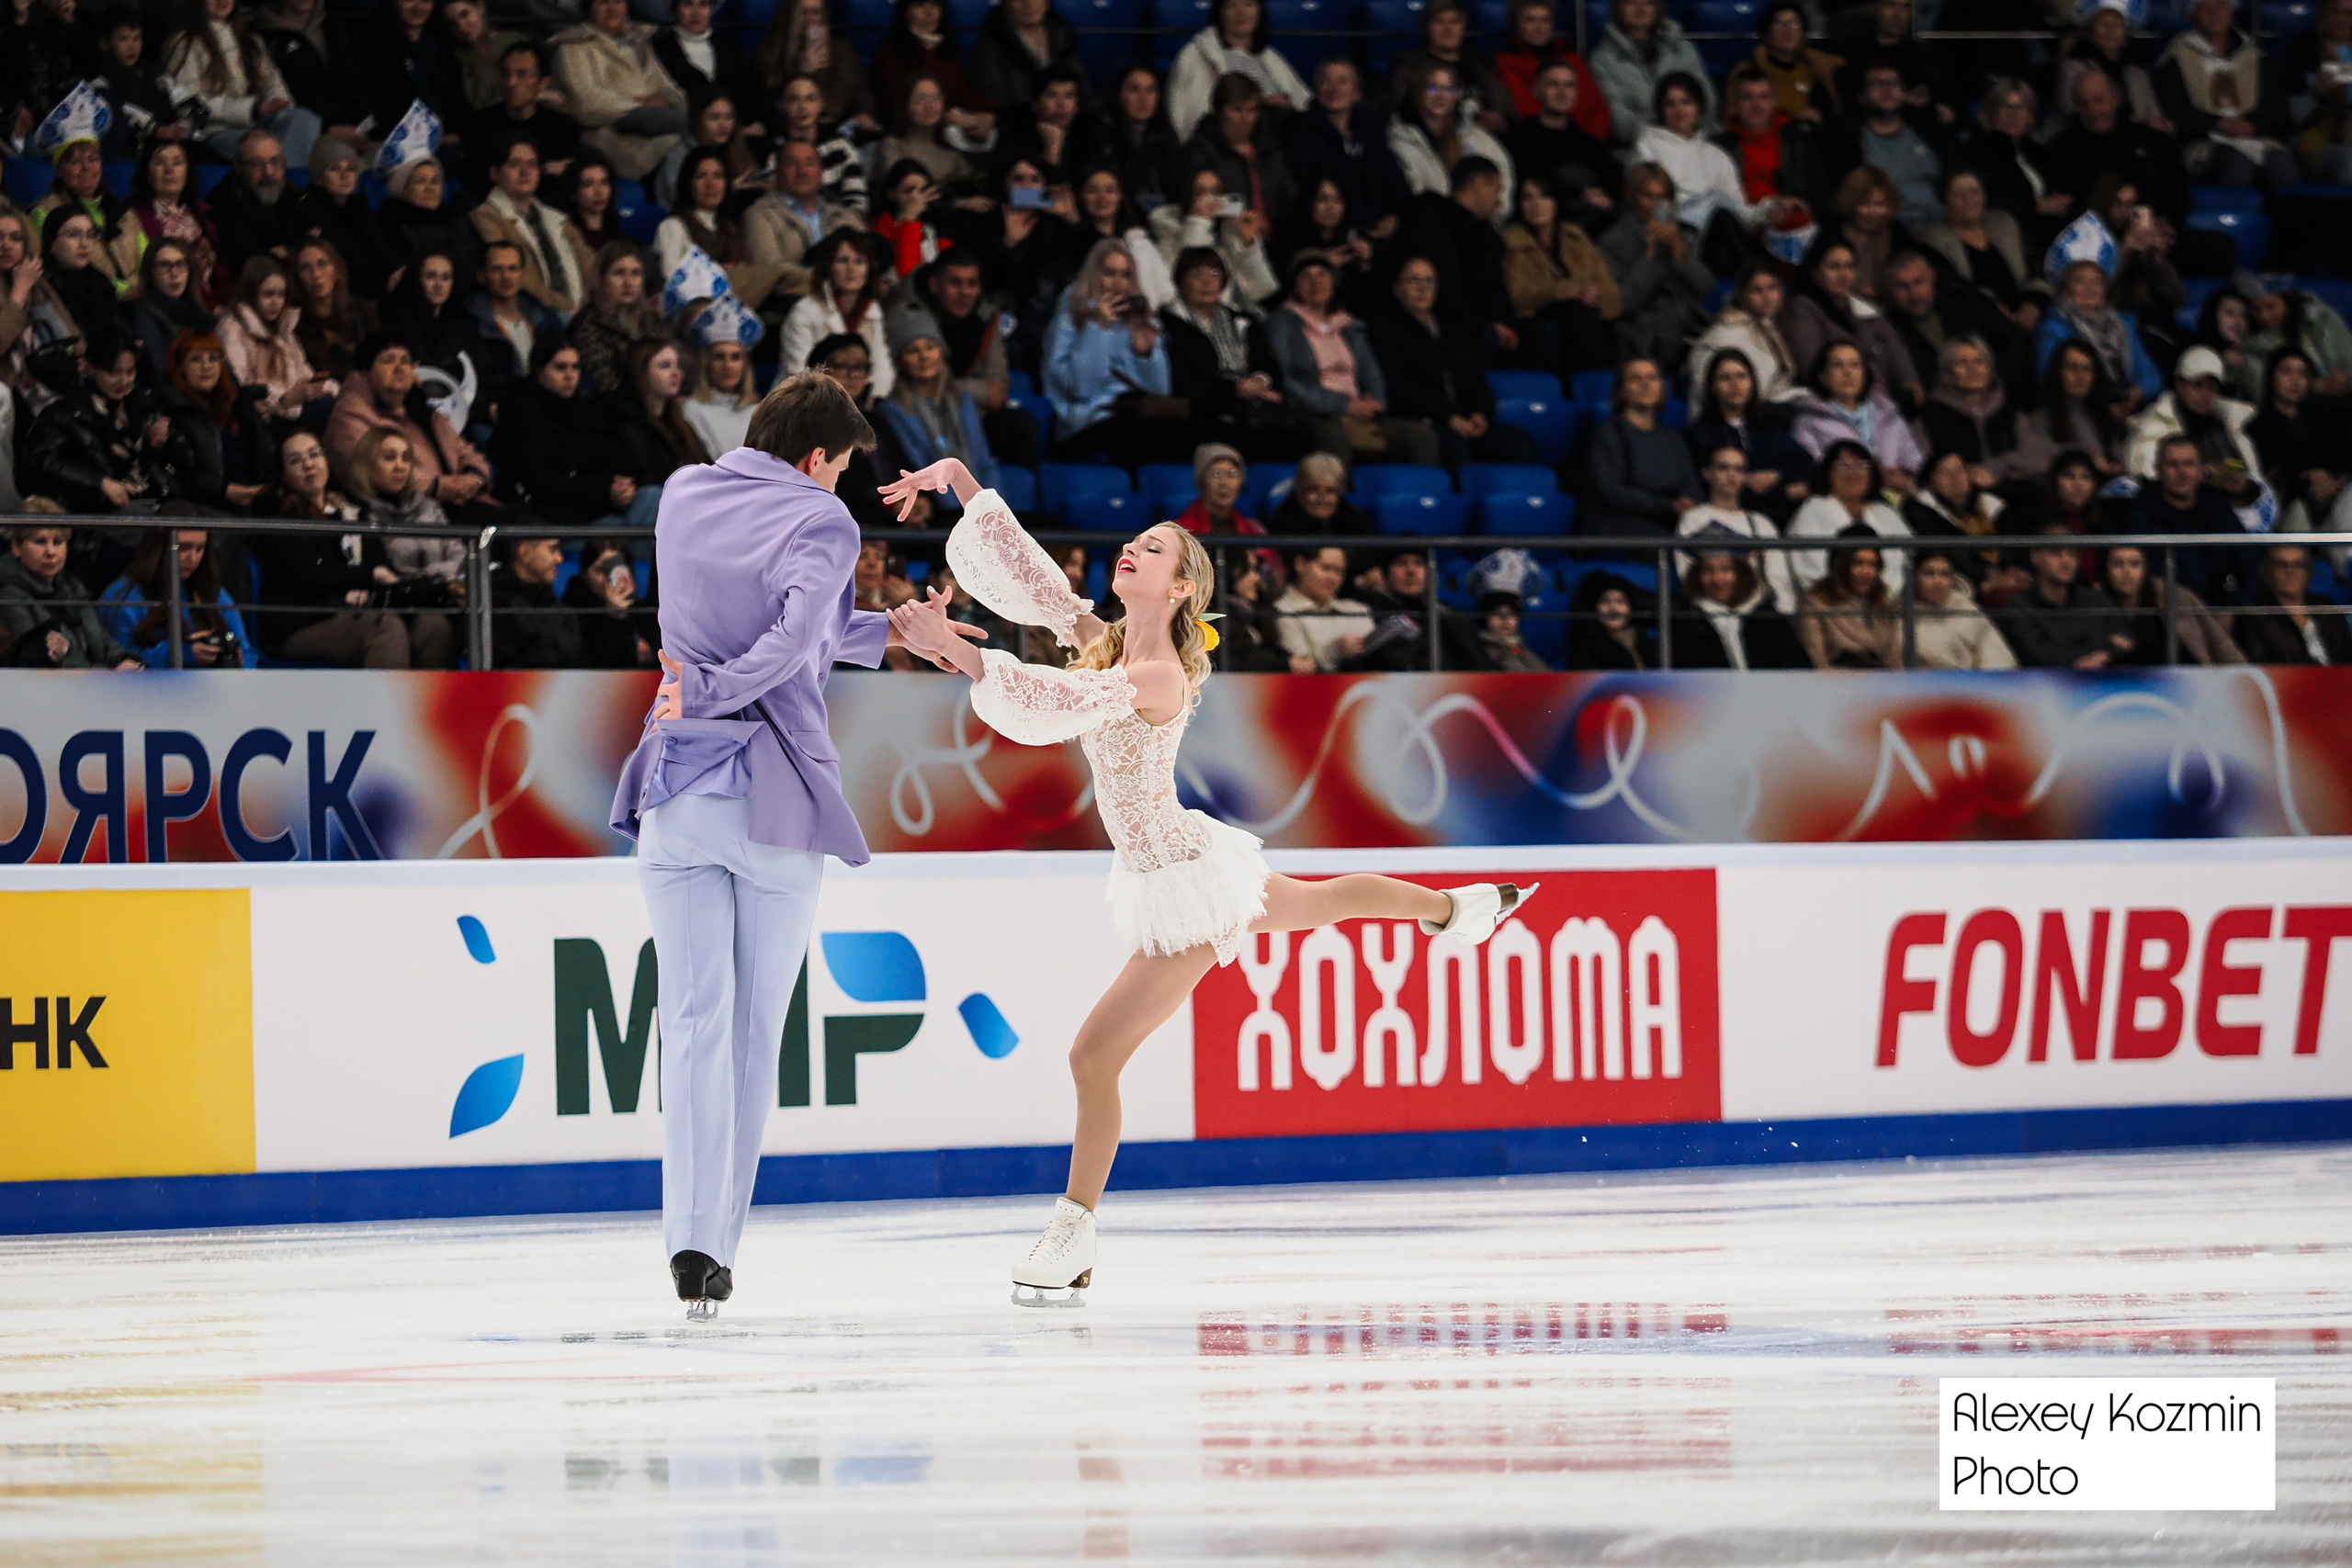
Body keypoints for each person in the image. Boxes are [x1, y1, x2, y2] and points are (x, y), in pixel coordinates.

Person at [880, 462, 1532, 1298]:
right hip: (1178, 861)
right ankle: (1456, 908)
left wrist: (958, 654)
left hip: (1183, 884)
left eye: (1151, 548)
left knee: (1091, 1057)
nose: (1130, 547)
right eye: (1133, 540)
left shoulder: (1157, 673)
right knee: (1326, 901)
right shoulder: (1107, 641)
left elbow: (1053, 698)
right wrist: (963, 483)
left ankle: (1073, 1233)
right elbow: (1035, 580)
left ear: (1181, 586)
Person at [610, 372, 980, 1315]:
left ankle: (688, 1240)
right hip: (769, 798)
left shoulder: (685, 491)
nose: (843, 483)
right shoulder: (823, 521)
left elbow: (792, 632)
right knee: (750, 1032)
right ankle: (716, 1246)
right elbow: (784, 648)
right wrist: (720, 689)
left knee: (692, 1023)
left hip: (677, 783)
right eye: (844, 467)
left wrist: (892, 631)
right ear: (817, 457)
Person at [252, 428, 435, 667]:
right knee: (384, 628)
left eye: (314, 454)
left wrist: (372, 581)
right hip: (303, 619)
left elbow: (378, 560)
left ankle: (429, 694)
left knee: (432, 625)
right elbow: (307, 576)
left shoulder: (350, 507)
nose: (309, 465)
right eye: (295, 461)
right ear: (283, 473)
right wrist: (367, 577)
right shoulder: (276, 513)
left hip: (357, 609)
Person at [1265, 250, 1441, 468]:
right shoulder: (1282, 324)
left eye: (1323, 275)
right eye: (1307, 276)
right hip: (1316, 412)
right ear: (1295, 284)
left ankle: (1417, 491)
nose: (1316, 282)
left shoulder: (1349, 325)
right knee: (1335, 441)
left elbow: (1371, 373)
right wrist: (1344, 405)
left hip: (1360, 411)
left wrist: (1375, 403)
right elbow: (1287, 380)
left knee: (1422, 437)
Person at [1366, 254, 1537, 468]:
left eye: (1429, 281)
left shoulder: (1451, 328)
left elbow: (1474, 378)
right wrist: (1447, 417)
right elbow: (1399, 388)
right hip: (1423, 419)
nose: (1423, 288)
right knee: (1454, 446)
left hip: (1463, 418)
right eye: (1414, 281)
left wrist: (1479, 412)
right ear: (1397, 289)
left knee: (1518, 444)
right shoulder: (1385, 330)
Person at [1044, 239, 1193, 466]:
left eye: (1125, 275)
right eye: (1109, 273)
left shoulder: (1140, 319)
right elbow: (1082, 389)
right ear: (1094, 275)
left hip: (1135, 413)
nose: (1118, 283)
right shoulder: (1070, 319)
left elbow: (1160, 391)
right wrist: (1098, 328)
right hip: (1086, 420)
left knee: (1185, 431)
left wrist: (1145, 353)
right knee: (1142, 434)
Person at [494, 338, 664, 528]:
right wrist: (604, 490)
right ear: (539, 373)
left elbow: (608, 455)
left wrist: (621, 484)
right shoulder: (522, 414)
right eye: (560, 368)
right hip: (555, 517)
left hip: (596, 508)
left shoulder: (586, 410)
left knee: (654, 496)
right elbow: (542, 481)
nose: (570, 376)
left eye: (575, 367)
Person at [325, 331, 497, 518]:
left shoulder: (424, 410)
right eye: (388, 360)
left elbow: (464, 450)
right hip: (408, 516)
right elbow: (366, 470)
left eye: (405, 361)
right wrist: (436, 486)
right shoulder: (351, 415)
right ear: (366, 371)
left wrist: (475, 478)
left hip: (462, 505)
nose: (399, 368)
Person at [1158, 246, 1302, 464]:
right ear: (1181, 280)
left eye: (1215, 274)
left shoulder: (1243, 321)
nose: (1207, 282)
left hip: (1251, 409)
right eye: (1197, 274)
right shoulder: (1168, 324)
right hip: (1202, 413)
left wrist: (1260, 380)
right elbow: (1185, 383)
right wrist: (1237, 388)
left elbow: (1270, 365)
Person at [22, 333, 189, 514]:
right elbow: (41, 462)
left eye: (130, 372)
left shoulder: (143, 403)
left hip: (147, 498)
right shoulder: (65, 413)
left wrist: (158, 446)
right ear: (90, 367)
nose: (123, 381)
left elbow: (181, 460)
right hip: (92, 512)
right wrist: (99, 482)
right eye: (114, 372)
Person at [347, 425, 465, 660]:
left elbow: (458, 554)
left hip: (438, 598)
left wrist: (432, 577)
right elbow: (381, 570)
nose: (400, 466)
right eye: (389, 458)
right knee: (422, 628)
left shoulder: (429, 508)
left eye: (406, 458)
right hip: (392, 606)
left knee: (442, 625)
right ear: (367, 464)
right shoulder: (358, 514)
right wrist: (427, 580)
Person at [2154, 0, 2298, 190]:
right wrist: (2218, 123)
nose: (2215, 13)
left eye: (2221, 7)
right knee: (2237, 164)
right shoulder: (2176, 59)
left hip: (2254, 137)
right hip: (2203, 143)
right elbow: (2174, 110)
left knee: (2281, 165)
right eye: (2206, 8)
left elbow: (2276, 106)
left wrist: (2252, 124)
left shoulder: (2255, 57)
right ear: (2193, 15)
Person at [164, 0, 322, 166]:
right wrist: (252, 109)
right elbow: (189, 102)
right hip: (215, 133)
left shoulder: (251, 40)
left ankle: (289, 178)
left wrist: (278, 103)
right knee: (259, 146)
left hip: (260, 124)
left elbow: (273, 84)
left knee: (304, 119)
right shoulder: (184, 42)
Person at [1500, 172, 1619, 373]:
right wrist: (1565, 291)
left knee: (1598, 323)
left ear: (1556, 201)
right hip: (1538, 320)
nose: (1536, 204)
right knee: (1571, 313)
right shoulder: (1510, 243)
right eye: (1528, 198)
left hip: (1586, 317)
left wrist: (1592, 293)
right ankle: (1603, 380)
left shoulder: (1576, 237)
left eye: (1544, 196)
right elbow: (1516, 297)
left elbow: (1611, 291)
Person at [1285, 60, 1412, 241]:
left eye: (1342, 82)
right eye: (1325, 81)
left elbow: (1395, 180)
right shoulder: (1300, 131)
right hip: (1333, 232)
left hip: (1383, 227)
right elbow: (1313, 187)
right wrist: (1367, 227)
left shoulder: (1371, 130)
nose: (1333, 89)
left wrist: (1395, 217)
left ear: (1357, 93)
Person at [97, 525, 257, 669]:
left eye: (200, 548)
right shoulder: (122, 597)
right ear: (159, 548)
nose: (193, 558)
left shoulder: (210, 589)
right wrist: (185, 654)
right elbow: (122, 661)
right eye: (183, 548)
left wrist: (237, 664)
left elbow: (247, 652)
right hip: (147, 687)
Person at [877, 313, 1000, 497]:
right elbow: (918, 464)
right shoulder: (893, 410)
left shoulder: (962, 400)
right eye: (912, 351)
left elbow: (982, 459)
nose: (924, 357)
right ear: (900, 360)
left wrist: (992, 503)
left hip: (979, 501)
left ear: (941, 352)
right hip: (938, 503)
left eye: (930, 347)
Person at [1916, 334, 2052, 499]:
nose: (1972, 369)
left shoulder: (2008, 407)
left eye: (1979, 362)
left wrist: (1996, 467)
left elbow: (2041, 457)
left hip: (2023, 492)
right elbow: (1925, 467)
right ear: (1947, 372)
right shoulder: (1931, 415)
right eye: (1962, 363)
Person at [1783, 240, 1915, 410]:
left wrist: (1909, 380)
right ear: (1815, 272)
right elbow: (1811, 364)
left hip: (1885, 401)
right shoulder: (1803, 309)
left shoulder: (1863, 308)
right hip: (1839, 404)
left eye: (1850, 267)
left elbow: (1894, 346)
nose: (1844, 275)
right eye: (1834, 267)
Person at [472, 139, 596, 317]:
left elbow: (592, 266)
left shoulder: (557, 218)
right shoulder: (486, 217)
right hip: (534, 315)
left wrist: (586, 308)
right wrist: (567, 309)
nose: (525, 172)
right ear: (495, 173)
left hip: (579, 313)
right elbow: (520, 278)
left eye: (532, 164)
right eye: (515, 164)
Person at [1685, 344, 1810, 519]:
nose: (1735, 384)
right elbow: (1713, 488)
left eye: (1741, 376)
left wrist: (1777, 475)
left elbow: (1806, 466)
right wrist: (1783, 492)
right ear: (1712, 386)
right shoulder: (1700, 434)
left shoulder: (1768, 426)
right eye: (1725, 378)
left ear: (1752, 382)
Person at [2122, 432, 2252, 602]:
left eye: (2189, 464)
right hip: (2166, 608)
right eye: (2173, 464)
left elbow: (2250, 560)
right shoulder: (2140, 514)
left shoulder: (2218, 507)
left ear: (2201, 470)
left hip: (2221, 607)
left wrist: (2236, 609)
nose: (2182, 472)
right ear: (2157, 469)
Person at [1, 519, 142, 669]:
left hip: (94, 677)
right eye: (40, 542)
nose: (50, 552)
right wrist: (109, 674)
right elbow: (41, 660)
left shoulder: (72, 586)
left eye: (58, 542)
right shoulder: (8, 597)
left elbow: (101, 638)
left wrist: (125, 660)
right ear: (16, 547)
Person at [1586, 356, 1700, 539]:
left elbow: (1691, 487)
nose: (1645, 384)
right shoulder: (1609, 434)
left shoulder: (1672, 438)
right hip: (1624, 529)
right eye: (1635, 378)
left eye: (1652, 378)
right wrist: (1668, 505)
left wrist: (1688, 503)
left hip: (1672, 523)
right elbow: (1610, 491)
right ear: (1621, 391)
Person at [1504, 57, 1621, 235]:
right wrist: (1578, 195)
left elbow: (1614, 181)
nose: (1562, 92)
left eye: (1569, 85)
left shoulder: (1590, 144)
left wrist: (1604, 196)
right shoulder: (1518, 139)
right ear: (1536, 91)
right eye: (1553, 84)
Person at [741, 141, 867, 305]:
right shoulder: (759, 214)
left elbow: (872, 258)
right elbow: (770, 269)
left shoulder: (842, 215)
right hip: (792, 304)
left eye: (810, 164)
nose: (802, 171)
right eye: (792, 164)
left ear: (821, 173)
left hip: (850, 302)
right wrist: (829, 278)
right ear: (777, 173)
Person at [160, 328, 272, 511]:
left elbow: (266, 452)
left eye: (213, 358)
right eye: (196, 359)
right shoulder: (173, 411)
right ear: (180, 366)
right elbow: (181, 475)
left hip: (257, 498)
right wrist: (222, 491)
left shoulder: (240, 405)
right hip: (207, 507)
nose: (206, 367)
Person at [1788, 341, 1922, 490]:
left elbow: (1916, 464)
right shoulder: (1808, 424)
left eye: (1855, 365)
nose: (1848, 373)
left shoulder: (1890, 416)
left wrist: (1904, 479)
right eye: (1838, 365)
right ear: (1823, 376)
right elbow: (1816, 473)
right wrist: (1874, 478)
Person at [1996, 524, 2133, 669]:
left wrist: (2101, 655)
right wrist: (2098, 651)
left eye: (2072, 553)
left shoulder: (2096, 599)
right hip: (2045, 681)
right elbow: (2037, 655)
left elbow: (2126, 640)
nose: (2066, 561)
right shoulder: (2019, 607)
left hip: (2102, 679)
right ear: (2035, 556)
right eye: (2056, 552)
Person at [1167, 0, 1306, 142]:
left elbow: (1303, 102)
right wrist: (1262, 103)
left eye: (1249, 4)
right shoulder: (1193, 56)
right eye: (1231, 6)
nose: (1241, 13)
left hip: (1275, 146)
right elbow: (1184, 119)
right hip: (1219, 148)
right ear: (1220, 12)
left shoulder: (1270, 57)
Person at [1680, 441, 1796, 612]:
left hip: (1761, 615)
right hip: (1711, 614)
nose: (1732, 475)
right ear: (1707, 473)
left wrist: (1783, 613)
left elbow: (1780, 578)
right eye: (1723, 468)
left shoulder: (1761, 523)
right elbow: (1688, 576)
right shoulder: (1693, 518)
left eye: (1739, 469)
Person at [1916, 167, 2037, 327]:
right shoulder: (1934, 241)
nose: (1968, 199)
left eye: (1974, 191)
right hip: (1976, 322)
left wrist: (2033, 303)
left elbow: (2035, 265)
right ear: (1944, 202)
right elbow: (1954, 290)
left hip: (2027, 316)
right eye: (1958, 194)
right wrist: (1990, 307)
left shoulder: (2004, 223)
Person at [1389, 62, 1516, 215]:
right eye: (1433, 88)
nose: (1441, 95)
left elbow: (1502, 187)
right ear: (1418, 92)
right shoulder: (1401, 140)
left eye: (1449, 89)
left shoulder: (1475, 137)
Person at [1786, 438, 1913, 590]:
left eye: (1861, 465)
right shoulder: (1813, 509)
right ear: (1828, 473)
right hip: (1831, 599)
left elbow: (1907, 558)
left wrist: (1882, 594)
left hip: (1887, 599)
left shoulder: (1885, 512)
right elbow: (1812, 565)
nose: (1853, 473)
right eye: (1842, 466)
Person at [872, 0, 996, 152]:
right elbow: (895, 104)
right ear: (905, 12)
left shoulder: (948, 50)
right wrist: (946, 117)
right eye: (920, 5)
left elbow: (964, 94)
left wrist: (987, 114)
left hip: (953, 130)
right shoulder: (890, 53)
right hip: (912, 137)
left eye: (935, 4)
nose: (930, 13)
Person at [779, 231, 895, 396]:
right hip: (806, 401)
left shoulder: (873, 310)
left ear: (869, 269)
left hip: (859, 400)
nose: (851, 268)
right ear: (828, 267)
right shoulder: (805, 311)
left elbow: (881, 368)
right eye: (842, 260)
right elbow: (799, 374)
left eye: (859, 261)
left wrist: (873, 400)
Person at [1674, 530, 1810, 669]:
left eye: (1726, 569)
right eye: (1708, 571)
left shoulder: (1766, 617)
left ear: (1740, 573)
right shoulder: (1686, 621)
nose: (1717, 579)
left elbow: (1796, 664)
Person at [2126, 346, 2262, 483]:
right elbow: (2145, 477)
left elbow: (2253, 476)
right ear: (2179, 384)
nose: (2205, 394)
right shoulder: (2153, 427)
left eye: (2211, 387)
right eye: (2197, 385)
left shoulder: (2231, 423)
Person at [127, 139, 232, 311]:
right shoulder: (134, 215)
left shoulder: (201, 213)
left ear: (187, 173)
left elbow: (219, 269)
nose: (169, 170)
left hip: (215, 301)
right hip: (171, 306)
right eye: (160, 163)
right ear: (147, 174)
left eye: (177, 163)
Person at [2101, 542, 2243, 667]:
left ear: (2146, 568)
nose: (2127, 572)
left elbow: (2217, 639)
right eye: (2118, 564)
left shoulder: (2175, 596)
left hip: (2181, 679)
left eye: (2135, 564)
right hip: (2113, 682)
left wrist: (2243, 672)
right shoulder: (2094, 602)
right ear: (2106, 569)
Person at [1590, 0, 1710, 144]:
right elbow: (1618, 117)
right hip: (1639, 146)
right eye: (1631, 3)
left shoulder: (1684, 50)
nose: (1641, 9)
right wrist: (1663, 135)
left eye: (1648, 3)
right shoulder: (1602, 60)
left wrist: (1688, 131)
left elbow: (1706, 97)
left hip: (1694, 139)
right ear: (1618, 9)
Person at [470, 41, 585, 186]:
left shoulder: (563, 128)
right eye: (506, 74)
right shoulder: (481, 125)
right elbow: (477, 178)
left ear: (543, 83)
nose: (511, 82)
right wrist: (544, 170)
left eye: (522, 75)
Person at [603, 336, 712, 488]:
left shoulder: (678, 423)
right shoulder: (622, 421)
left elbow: (706, 466)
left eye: (678, 365)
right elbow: (647, 480)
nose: (676, 373)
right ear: (641, 373)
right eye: (665, 366)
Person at [1902, 448, 2012, 593]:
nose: (1955, 477)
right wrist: (1984, 581)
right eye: (1944, 472)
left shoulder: (1992, 505)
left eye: (1959, 470)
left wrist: (2012, 570)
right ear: (1930, 481)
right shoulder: (1920, 510)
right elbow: (1951, 553)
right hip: (1960, 587)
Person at [1686, 259, 1796, 403]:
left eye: (1772, 287)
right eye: (1756, 290)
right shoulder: (1727, 332)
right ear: (1743, 295)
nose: (1767, 297)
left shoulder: (1770, 326)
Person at [1796, 525, 1903, 670]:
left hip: (1883, 681)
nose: (1866, 572)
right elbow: (1818, 664)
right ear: (1841, 565)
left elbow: (1894, 661)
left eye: (1872, 565)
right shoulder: (1815, 604)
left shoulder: (1881, 606)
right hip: (1840, 681)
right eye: (1858, 563)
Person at [569, 243, 668, 396]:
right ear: (601, 279)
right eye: (619, 273)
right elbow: (604, 381)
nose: (628, 282)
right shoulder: (587, 322)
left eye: (635, 273)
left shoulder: (650, 319)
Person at [1497, 0, 1610, 134]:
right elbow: (1524, 110)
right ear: (1517, 25)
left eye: (1545, 20)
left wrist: (1589, 141)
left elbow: (1598, 109)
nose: (1539, 27)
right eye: (1530, 20)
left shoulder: (1572, 59)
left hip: (1586, 140)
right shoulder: (1506, 62)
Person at [2022, 340, 2131, 479]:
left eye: (2087, 368)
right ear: (2058, 372)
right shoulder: (2039, 420)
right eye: (2072, 367)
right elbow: (2040, 467)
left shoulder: (2103, 417)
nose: (2080, 375)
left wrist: (2115, 467)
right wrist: (2089, 466)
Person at [2234, 545, 2351, 664]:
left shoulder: (2324, 605)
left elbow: (2346, 651)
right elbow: (2259, 663)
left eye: (2298, 565)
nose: (2290, 571)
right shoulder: (2254, 615)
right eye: (2281, 565)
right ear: (2267, 572)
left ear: (2308, 572)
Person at [1903, 548, 2016, 669]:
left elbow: (1997, 657)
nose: (1938, 581)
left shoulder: (1968, 611)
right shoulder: (1899, 613)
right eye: (1929, 574)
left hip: (1969, 679)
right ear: (1915, 576)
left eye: (1945, 574)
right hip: (1917, 680)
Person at [1269, 541, 1375, 671]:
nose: (1333, 578)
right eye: (1326, 568)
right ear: (1300, 564)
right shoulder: (1282, 611)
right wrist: (1336, 650)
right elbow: (1302, 668)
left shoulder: (1359, 610)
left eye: (1339, 571)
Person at [489, 535, 586, 668]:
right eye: (552, 549)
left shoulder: (559, 607)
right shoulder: (496, 605)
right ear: (525, 553)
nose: (560, 559)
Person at [125, 240, 216, 379]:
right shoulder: (140, 315)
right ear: (150, 272)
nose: (174, 273)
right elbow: (161, 372)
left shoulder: (197, 311)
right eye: (164, 265)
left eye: (180, 264)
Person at [289, 238, 375, 386]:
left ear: (336, 269)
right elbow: (323, 370)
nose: (316, 274)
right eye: (305, 268)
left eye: (322, 264)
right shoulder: (297, 324)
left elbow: (380, 350)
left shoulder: (360, 309)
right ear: (297, 278)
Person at [1750, 0, 1842, 120]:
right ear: (1767, 33)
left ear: (1804, 33)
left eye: (1795, 23)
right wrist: (1794, 118)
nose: (1788, 29)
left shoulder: (1816, 69)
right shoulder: (1751, 71)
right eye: (1779, 24)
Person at [682, 324, 758, 457]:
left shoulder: (757, 411)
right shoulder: (692, 410)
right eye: (719, 357)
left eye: (735, 357)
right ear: (707, 364)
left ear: (745, 365)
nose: (728, 365)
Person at [1263, 448, 1370, 542]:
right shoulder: (1280, 523)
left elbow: (1370, 553)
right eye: (1313, 490)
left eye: (1330, 491)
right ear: (1299, 492)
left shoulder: (1356, 520)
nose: (1322, 498)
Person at [1567, 568, 1655, 668]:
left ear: (1630, 608)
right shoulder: (1587, 651)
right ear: (1595, 608)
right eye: (1605, 601)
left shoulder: (1647, 643)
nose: (1613, 608)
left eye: (1620, 601)